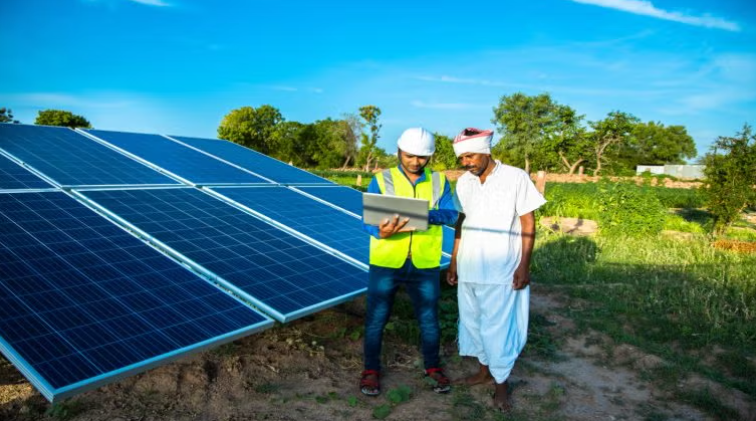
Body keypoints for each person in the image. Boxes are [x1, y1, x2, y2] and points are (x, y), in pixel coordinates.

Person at [446, 128, 546, 411]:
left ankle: (501, 384)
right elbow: (461, 222)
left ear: (486, 151)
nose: (466, 162)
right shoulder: (464, 182)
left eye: (470, 156)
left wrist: (524, 264)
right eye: (462, 158)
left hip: (501, 268)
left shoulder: (515, 177)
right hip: (469, 265)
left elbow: (528, 222)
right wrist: (454, 261)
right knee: (473, 321)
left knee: (497, 328)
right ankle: (483, 372)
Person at [360, 127, 458, 396]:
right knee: (376, 318)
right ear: (399, 152)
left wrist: (423, 216)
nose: (415, 162)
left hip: (424, 263)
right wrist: (380, 232)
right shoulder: (382, 179)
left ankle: (433, 367)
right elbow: (367, 220)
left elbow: (451, 214)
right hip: (386, 261)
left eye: (422, 157)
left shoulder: (439, 181)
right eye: (410, 156)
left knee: (429, 319)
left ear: (430, 156)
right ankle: (370, 370)